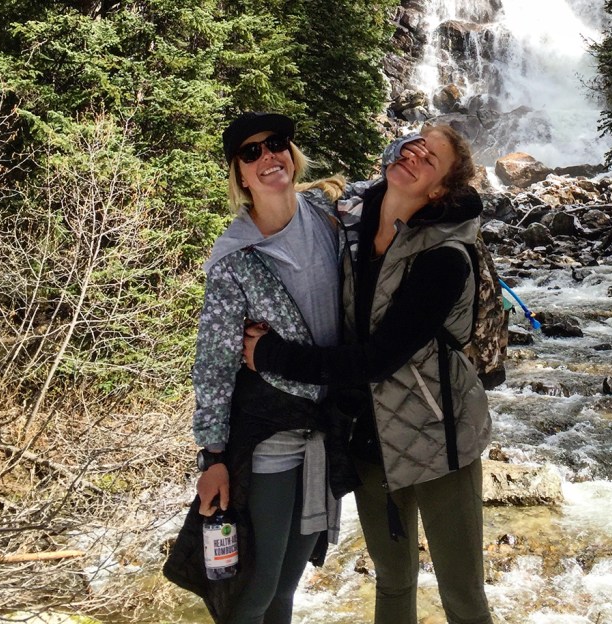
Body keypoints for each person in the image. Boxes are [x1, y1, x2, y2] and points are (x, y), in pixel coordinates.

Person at [243, 124, 494, 624]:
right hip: (369, 438)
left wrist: (273, 355)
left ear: (439, 189)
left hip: (438, 438)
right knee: (394, 582)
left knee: (462, 596)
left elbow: (379, 358)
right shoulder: (353, 223)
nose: (415, 153)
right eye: (414, 144)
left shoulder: (444, 256)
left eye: (432, 158)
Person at [166, 111, 346, 624]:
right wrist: (212, 456)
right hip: (269, 432)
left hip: (326, 426)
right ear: (239, 175)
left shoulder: (329, 215)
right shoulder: (234, 258)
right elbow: (215, 362)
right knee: (254, 589)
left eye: (277, 144)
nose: (269, 156)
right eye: (252, 152)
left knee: (288, 584)